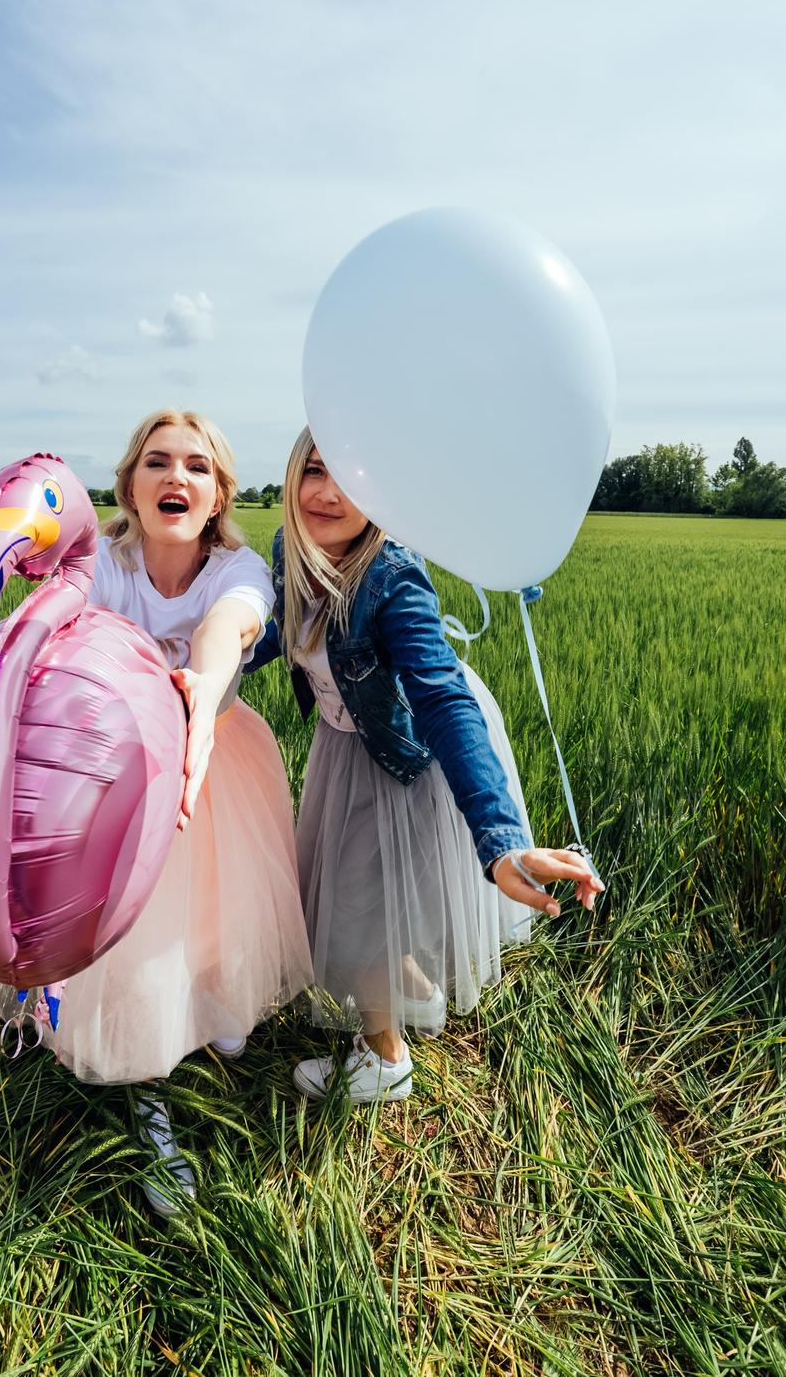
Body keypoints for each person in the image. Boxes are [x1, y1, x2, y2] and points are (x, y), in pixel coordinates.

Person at [0, 410, 312, 1214]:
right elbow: (54, 623)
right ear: (129, 483)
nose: (177, 477)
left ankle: (211, 1009)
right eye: (157, 462)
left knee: (214, 912)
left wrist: (199, 697)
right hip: (115, 777)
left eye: (197, 466)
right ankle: (146, 1089)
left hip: (217, 759)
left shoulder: (239, 569)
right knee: (129, 944)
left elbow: (225, 631)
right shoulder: (104, 568)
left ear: (219, 492)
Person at [246, 428, 603, 1105]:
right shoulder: (290, 551)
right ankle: (398, 1001)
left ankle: (385, 1060)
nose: (326, 494)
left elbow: (442, 698)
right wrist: (198, 665)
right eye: (315, 470)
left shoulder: (391, 575)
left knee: (354, 910)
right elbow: (273, 628)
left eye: (353, 478)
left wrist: (500, 843)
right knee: (369, 902)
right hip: (347, 741)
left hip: (410, 756)